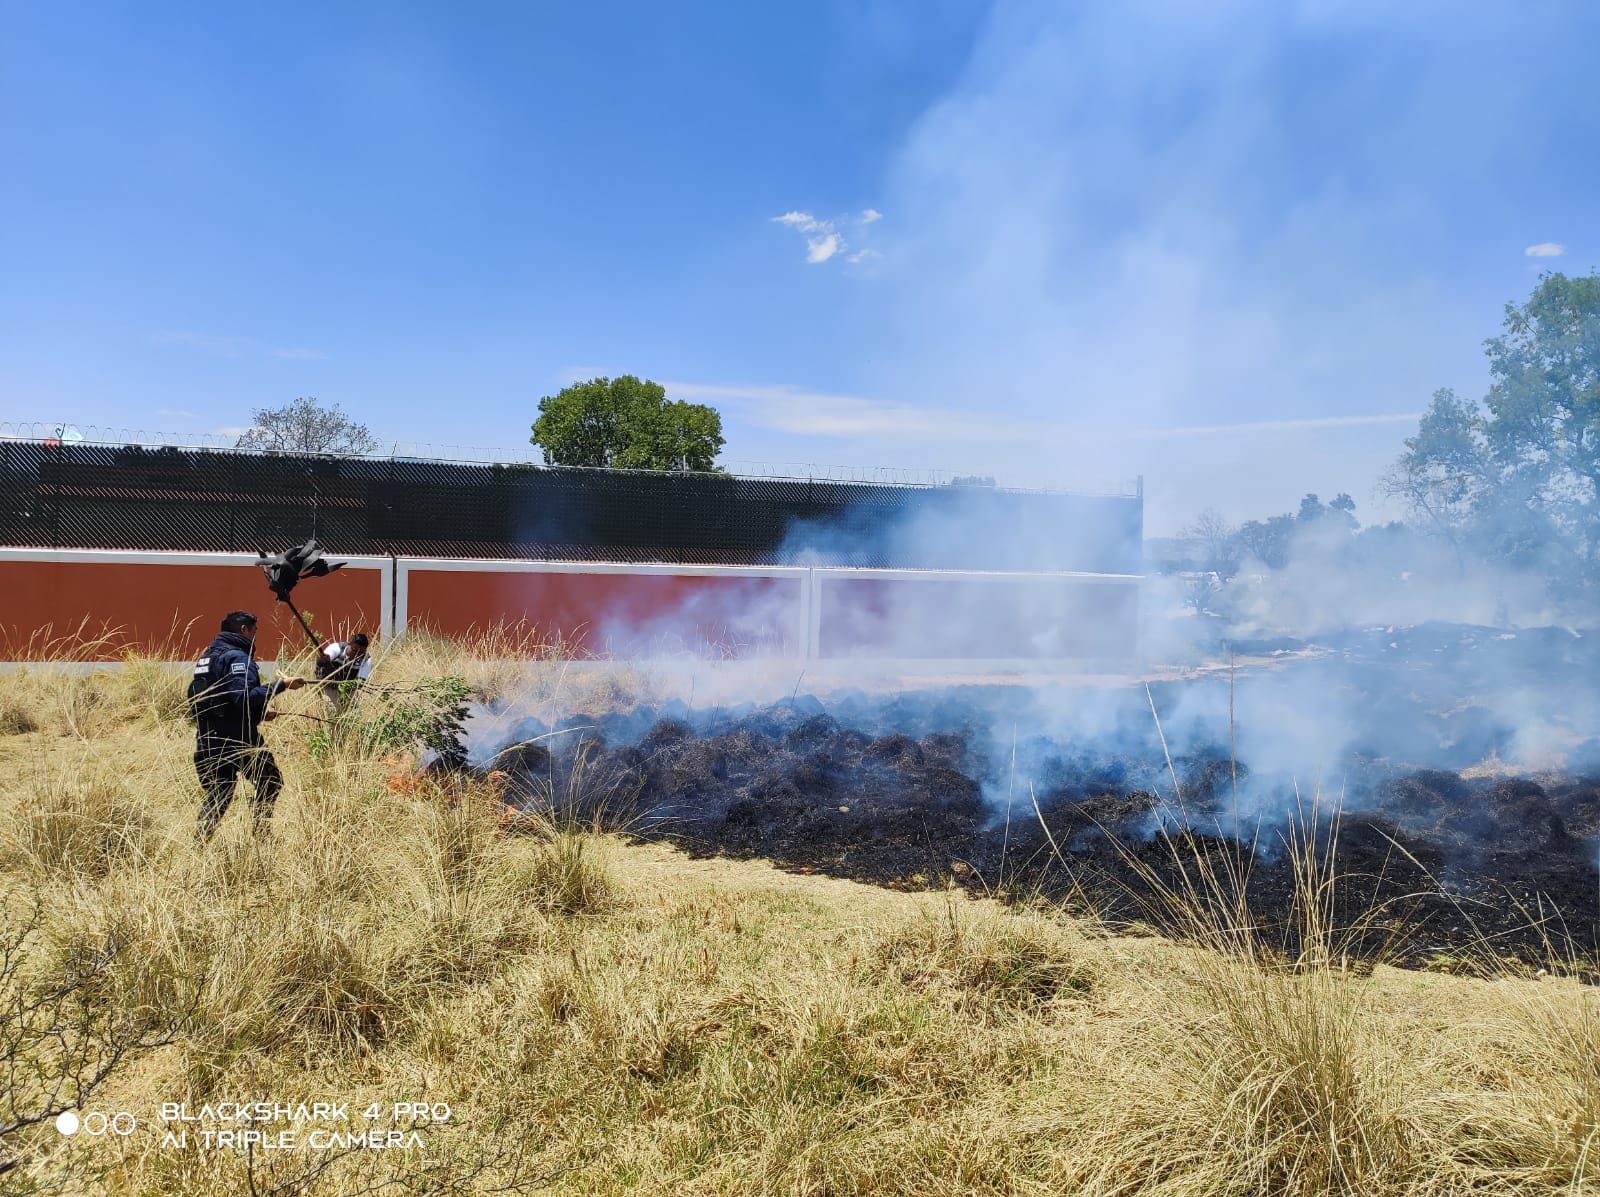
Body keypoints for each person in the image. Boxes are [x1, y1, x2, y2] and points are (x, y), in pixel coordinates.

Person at [190, 611, 304, 843]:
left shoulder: (207, 657)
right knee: (270, 781)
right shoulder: (238, 658)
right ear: (244, 630)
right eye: (254, 631)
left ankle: (199, 843)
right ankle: (262, 835)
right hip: (238, 739)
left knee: (220, 792)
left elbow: (219, 699)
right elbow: (244, 698)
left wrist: (260, 713)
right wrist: (282, 685)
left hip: (208, 738)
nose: (255, 636)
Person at [314, 632, 371, 716]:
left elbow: (360, 682)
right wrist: (323, 660)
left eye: (360, 653)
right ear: (349, 644)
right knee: (333, 711)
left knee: (354, 713)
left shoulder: (366, 659)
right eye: (354, 651)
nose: (356, 656)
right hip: (328, 684)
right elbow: (320, 662)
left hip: (347, 688)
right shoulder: (336, 648)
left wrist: (344, 687)